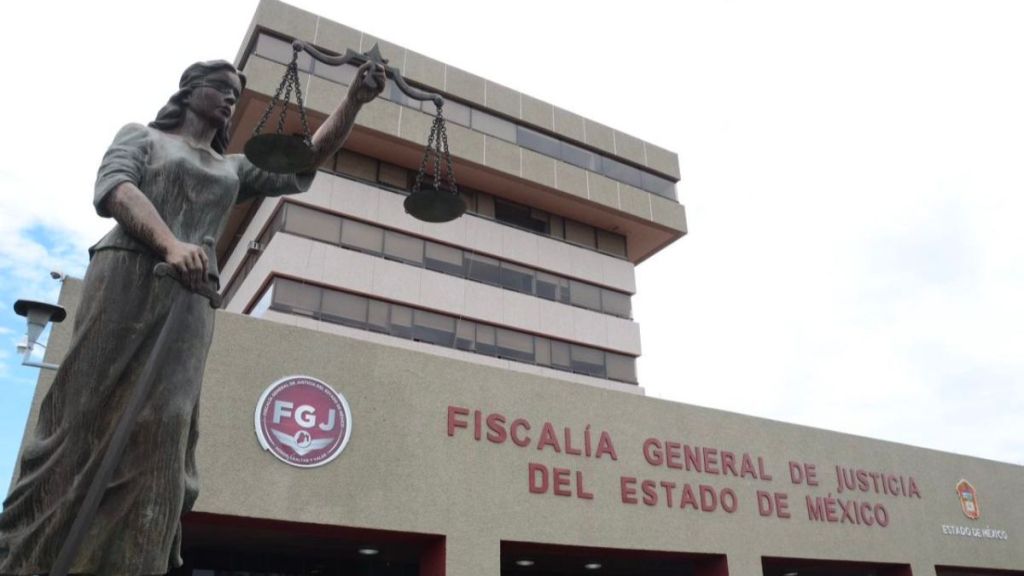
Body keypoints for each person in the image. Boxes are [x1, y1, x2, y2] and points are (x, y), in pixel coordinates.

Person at [0, 58, 385, 575]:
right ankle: (37, 551)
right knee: (84, 413)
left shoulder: (232, 167)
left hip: (190, 301)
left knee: (166, 424)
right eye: (223, 89)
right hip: (126, 278)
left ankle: (135, 559)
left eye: (236, 93)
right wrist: (169, 244)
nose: (231, 99)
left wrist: (353, 101)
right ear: (190, 92)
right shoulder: (143, 138)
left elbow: (306, 157)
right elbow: (116, 190)